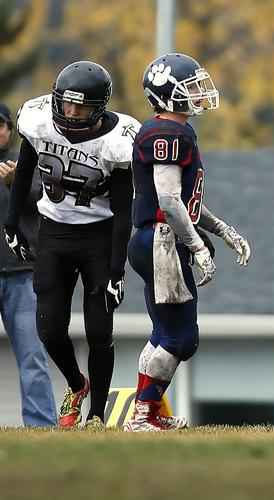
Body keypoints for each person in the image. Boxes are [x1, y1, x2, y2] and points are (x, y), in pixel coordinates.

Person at [3, 61, 140, 429]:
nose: (71, 112)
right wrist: (12, 223)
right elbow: (25, 172)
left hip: (100, 234)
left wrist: (117, 269)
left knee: (99, 329)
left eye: (80, 107)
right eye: (66, 104)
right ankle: (77, 384)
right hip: (54, 231)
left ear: (99, 108)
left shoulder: (118, 141)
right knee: (48, 329)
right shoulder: (37, 121)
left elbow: (124, 210)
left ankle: (96, 416)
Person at [124, 53, 251, 432]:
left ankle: (151, 412)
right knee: (181, 337)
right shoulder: (167, 132)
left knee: (165, 333)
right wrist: (196, 246)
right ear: (166, 94)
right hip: (162, 241)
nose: (199, 93)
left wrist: (224, 231)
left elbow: (186, 202)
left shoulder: (179, 131)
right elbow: (168, 200)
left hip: (156, 238)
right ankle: (143, 413)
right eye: (189, 86)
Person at [0, 103, 57, 427]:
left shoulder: (27, 163)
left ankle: (41, 425)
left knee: (32, 356)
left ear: (11, 129)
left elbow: (48, 201)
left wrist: (14, 183)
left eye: (1, 125)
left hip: (22, 275)